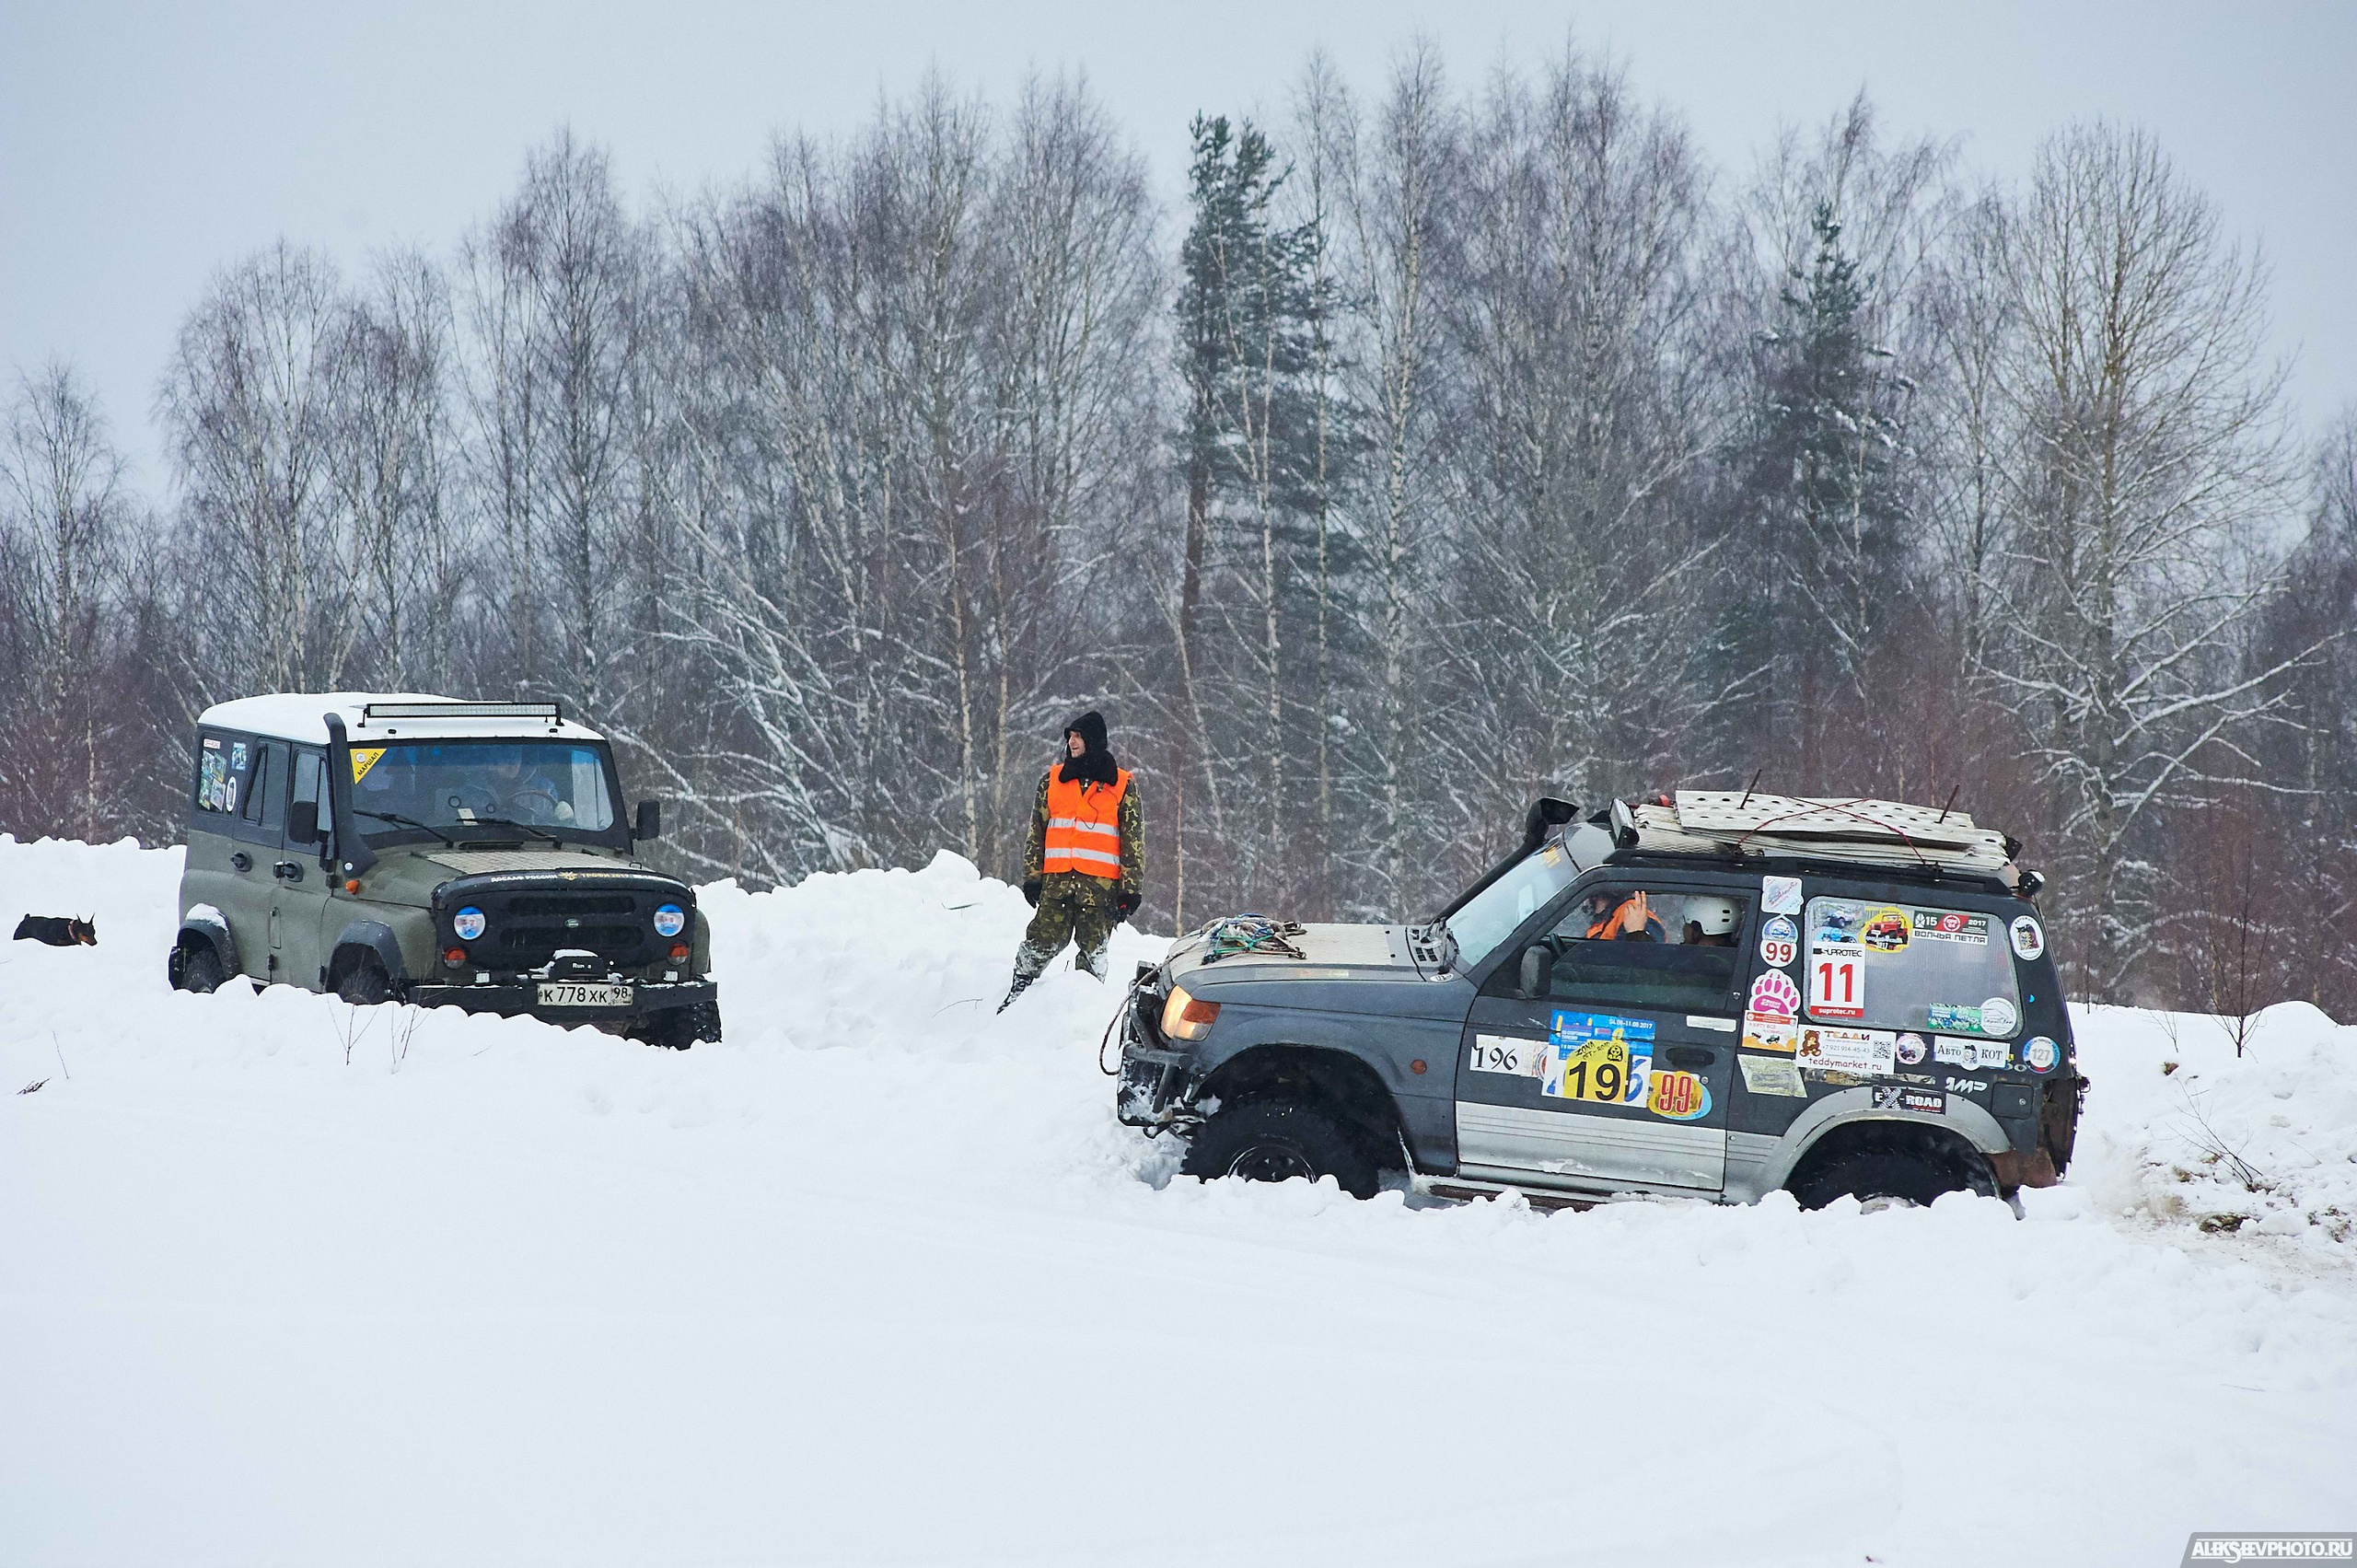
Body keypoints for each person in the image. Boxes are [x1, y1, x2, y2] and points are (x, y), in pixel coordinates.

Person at [1000, 711, 1142, 1010]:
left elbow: (1133, 842)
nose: (1072, 742)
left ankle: (1084, 1016)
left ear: (1093, 739)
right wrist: (1032, 878)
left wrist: (1130, 891)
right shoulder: (1051, 780)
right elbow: (1036, 833)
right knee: (1039, 943)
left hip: (1100, 892)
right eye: (1070, 736)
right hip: (1057, 886)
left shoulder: (1122, 785)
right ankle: (1016, 999)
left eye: (1078, 736)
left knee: (1093, 956)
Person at [1585, 889, 1667, 942]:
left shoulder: (1633, 912)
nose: (1586, 902)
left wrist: (1636, 934)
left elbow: (1652, 955)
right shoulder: (1605, 918)